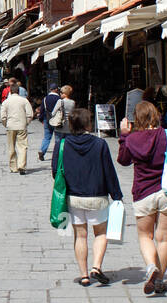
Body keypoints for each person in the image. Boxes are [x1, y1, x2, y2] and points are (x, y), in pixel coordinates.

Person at [117, 100, 167, 295]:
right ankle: (160, 279)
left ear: (136, 119)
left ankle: (151, 267)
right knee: (163, 238)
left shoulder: (132, 139)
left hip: (143, 192)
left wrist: (124, 136)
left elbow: (123, 161)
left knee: (145, 236)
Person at [53, 107, 123, 286]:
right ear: (88, 123)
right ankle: (96, 267)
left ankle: (84, 275)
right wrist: (116, 194)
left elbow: (55, 171)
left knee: (80, 236)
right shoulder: (100, 144)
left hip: (74, 197)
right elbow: (109, 171)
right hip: (97, 196)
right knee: (100, 233)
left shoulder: (62, 144)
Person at [0, 78, 34, 173]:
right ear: (18, 91)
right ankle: (21, 165)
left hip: (10, 126)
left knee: (11, 147)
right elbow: (30, 114)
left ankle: (13, 167)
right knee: (22, 146)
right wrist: (26, 122)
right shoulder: (24, 101)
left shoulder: (6, 102)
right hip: (22, 125)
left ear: (10, 91)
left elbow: (3, 116)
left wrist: (5, 124)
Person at [38, 85, 61, 161]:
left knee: (47, 137)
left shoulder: (45, 99)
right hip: (57, 120)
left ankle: (42, 151)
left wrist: (41, 119)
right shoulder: (59, 99)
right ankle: (57, 154)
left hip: (47, 119)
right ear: (56, 90)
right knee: (58, 137)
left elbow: (42, 110)